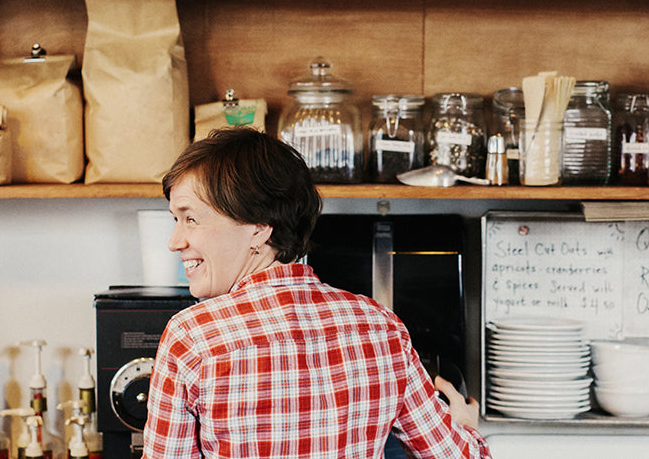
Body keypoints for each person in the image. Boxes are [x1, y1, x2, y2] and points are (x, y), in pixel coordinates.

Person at [143, 127, 492, 459]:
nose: (174, 242)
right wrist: (462, 425)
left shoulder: (192, 337)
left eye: (190, 219)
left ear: (258, 229)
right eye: (175, 220)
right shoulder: (381, 328)